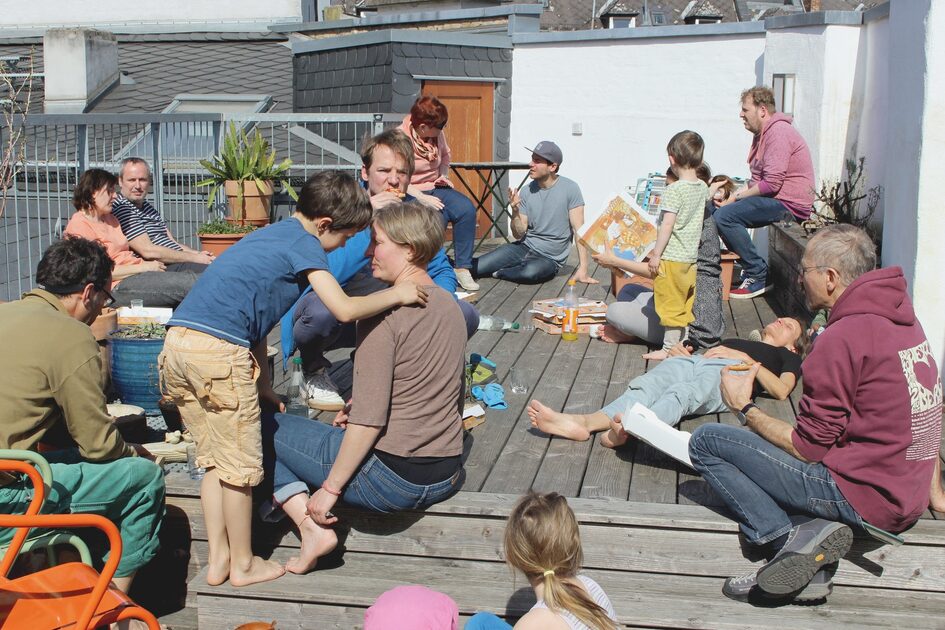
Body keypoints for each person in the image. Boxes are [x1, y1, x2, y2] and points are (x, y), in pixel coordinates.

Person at [159, 172, 428, 587]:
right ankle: (245, 564)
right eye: (345, 238)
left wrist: (263, 385)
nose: (342, 247)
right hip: (217, 355)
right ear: (324, 225)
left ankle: (219, 560)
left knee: (214, 460)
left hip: (178, 346)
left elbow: (256, 322)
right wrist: (398, 294)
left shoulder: (271, 235)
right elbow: (342, 308)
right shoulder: (305, 244)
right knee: (242, 468)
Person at [689, 225, 943, 603]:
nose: (798, 278)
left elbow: (808, 448)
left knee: (708, 441)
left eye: (803, 270)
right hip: (907, 496)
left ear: (830, 278)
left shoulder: (842, 338)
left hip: (862, 498)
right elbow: (926, 409)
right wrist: (935, 494)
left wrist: (744, 406)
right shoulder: (905, 321)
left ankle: (790, 541)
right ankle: (813, 550)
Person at [266, 202, 467, 575]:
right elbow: (441, 390)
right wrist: (359, 404)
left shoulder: (381, 315)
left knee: (260, 425)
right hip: (446, 474)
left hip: (392, 481)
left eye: (377, 242)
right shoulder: (450, 306)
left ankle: (310, 529)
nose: (368, 252)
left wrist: (330, 490)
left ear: (409, 249)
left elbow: (370, 422)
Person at [0, 237, 165, 593]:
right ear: (88, 292)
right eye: (106, 298)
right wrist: (133, 451)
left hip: (10, 473)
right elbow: (98, 446)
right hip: (6, 502)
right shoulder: (71, 336)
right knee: (143, 478)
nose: (101, 309)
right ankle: (111, 606)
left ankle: (47, 574)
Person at [281, 129, 479, 411]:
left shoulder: (412, 215)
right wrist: (366, 218)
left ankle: (408, 371)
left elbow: (441, 270)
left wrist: (439, 303)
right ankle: (313, 369)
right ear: (365, 172)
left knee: (464, 314)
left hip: (392, 314)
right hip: (342, 314)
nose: (394, 179)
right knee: (320, 311)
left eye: (402, 172)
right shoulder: (341, 211)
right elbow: (324, 272)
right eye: (384, 170)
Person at [528, 316, 806, 447]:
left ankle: (628, 429)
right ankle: (583, 423)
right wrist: (682, 353)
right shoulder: (740, 339)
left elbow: (781, 390)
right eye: (782, 319)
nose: (781, 321)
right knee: (646, 386)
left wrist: (745, 358)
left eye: (789, 326)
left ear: (794, 346)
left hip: (733, 373)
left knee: (683, 393)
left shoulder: (785, 357)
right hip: (696, 361)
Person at [592, 164, 724, 352]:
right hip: (676, 297)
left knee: (614, 311)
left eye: (670, 188)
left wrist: (614, 261)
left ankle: (631, 334)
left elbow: (661, 272)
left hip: (690, 326)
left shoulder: (686, 226)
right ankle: (633, 330)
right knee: (628, 290)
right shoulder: (695, 212)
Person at [715, 86, 814, 299]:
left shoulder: (778, 133)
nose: (741, 114)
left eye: (745, 109)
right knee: (716, 209)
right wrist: (730, 197)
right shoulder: (763, 134)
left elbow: (771, 184)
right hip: (775, 199)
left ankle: (759, 275)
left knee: (725, 216)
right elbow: (757, 182)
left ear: (762, 110)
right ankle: (730, 269)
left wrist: (735, 199)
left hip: (789, 204)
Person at [465, 492, 617, 630]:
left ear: (512, 558)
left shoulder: (531, 624)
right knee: (481, 622)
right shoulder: (590, 585)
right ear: (573, 546)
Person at [63, 168, 200, 307]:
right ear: (92, 193)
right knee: (191, 283)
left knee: (204, 274)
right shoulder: (79, 226)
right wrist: (145, 267)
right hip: (115, 287)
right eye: (109, 191)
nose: (115, 196)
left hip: (138, 272)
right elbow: (96, 274)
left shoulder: (111, 219)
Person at [472, 141, 594, 286]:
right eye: (532, 159)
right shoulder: (526, 191)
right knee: (475, 267)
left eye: (537, 161)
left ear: (552, 167)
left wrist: (583, 269)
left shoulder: (570, 189)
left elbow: (579, 230)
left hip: (549, 258)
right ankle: (443, 262)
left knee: (530, 273)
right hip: (524, 248)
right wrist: (515, 212)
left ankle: (500, 272)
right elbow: (518, 234)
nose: (530, 164)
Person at [635, 130, 709, 360]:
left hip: (672, 257)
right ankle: (682, 345)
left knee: (668, 305)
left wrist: (656, 254)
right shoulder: (701, 187)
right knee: (684, 305)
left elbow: (667, 225)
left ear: (671, 159)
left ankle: (668, 349)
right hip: (690, 259)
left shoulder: (674, 190)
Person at [398, 95, 480, 292]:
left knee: (465, 209)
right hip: (411, 192)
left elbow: (445, 157)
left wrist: (443, 175)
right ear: (423, 126)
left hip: (435, 185)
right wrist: (423, 198)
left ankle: (462, 268)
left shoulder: (436, 135)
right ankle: (432, 270)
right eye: (439, 126)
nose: (442, 130)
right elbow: (398, 177)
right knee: (435, 218)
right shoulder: (400, 139)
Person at [112, 157, 215, 266]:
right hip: (161, 267)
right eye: (132, 180)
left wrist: (199, 254)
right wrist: (194, 258)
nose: (137, 186)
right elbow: (148, 251)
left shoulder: (147, 208)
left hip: (177, 262)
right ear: (120, 181)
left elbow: (173, 243)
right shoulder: (123, 208)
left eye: (142, 180)